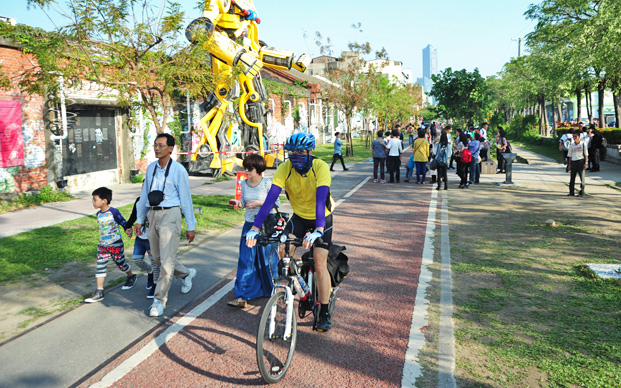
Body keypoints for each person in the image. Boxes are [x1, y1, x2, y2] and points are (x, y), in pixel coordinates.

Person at [245, 133, 336, 332]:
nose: (296, 157)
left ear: (310, 152)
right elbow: (270, 200)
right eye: (292, 153)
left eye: (300, 153)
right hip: (300, 217)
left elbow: (321, 200)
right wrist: (254, 228)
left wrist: (318, 230)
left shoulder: (320, 167)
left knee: (320, 263)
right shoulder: (284, 169)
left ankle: (325, 311)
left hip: (322, 218)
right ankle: (300, 287)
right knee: (283, 251)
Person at [134, 133, 197, 318]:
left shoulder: (178, 170)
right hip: (153, 214)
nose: (156, 148)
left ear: (171, 148)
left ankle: (159, 300)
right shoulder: (151, 168)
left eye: (161, 145)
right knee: (157, 258)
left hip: (171, 214)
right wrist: (140, 219)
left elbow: (186, 199)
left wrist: (190, 225)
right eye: (155, 145)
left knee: (166, 261)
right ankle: (186, 274)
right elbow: (144, 195)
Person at [228, 154, 280, 308]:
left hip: (266, 225)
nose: (246, 171)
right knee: (246, 259)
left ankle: (273, 289)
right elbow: (244, 202)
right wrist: (239, 203)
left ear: (258, 169)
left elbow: (275, 204)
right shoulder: (244, 184)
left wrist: (259, 203)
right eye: (245, 167)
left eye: (250, 168)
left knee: (268, 259)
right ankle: (242, 295)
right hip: (249, 224)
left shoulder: (267, 183)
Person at [85, 187, 136, 303]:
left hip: (115, 244)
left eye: (94, 199)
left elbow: (123, 222)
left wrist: (128, 229)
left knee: (121, 264)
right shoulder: (98, 214)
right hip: (103, 245)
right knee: (100, 266)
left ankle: (131, 276)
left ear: (104, 201)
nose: (93, 202)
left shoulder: (114, 212)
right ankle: (99, 292)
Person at [125, 195, 160, 299]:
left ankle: (155, 285)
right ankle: (150, 271)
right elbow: (133, 215)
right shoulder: (139, 200)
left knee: (154, 262)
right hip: (140, 237)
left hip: (152, 237)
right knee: (136, 259)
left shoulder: (157, 200)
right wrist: (128, 227)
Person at [567, 130, 588, 197]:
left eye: (575, 136)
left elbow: (586, 155)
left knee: (582, 178)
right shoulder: (572, 145)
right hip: (573, 162)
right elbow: (570, 156)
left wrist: (586, 163)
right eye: (573, 136)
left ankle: (582, 192)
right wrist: (569, 165)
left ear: (579, 137)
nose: (574, 138)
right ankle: (571, 192)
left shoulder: (583, 144)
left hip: (580, 161)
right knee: (572, 178)